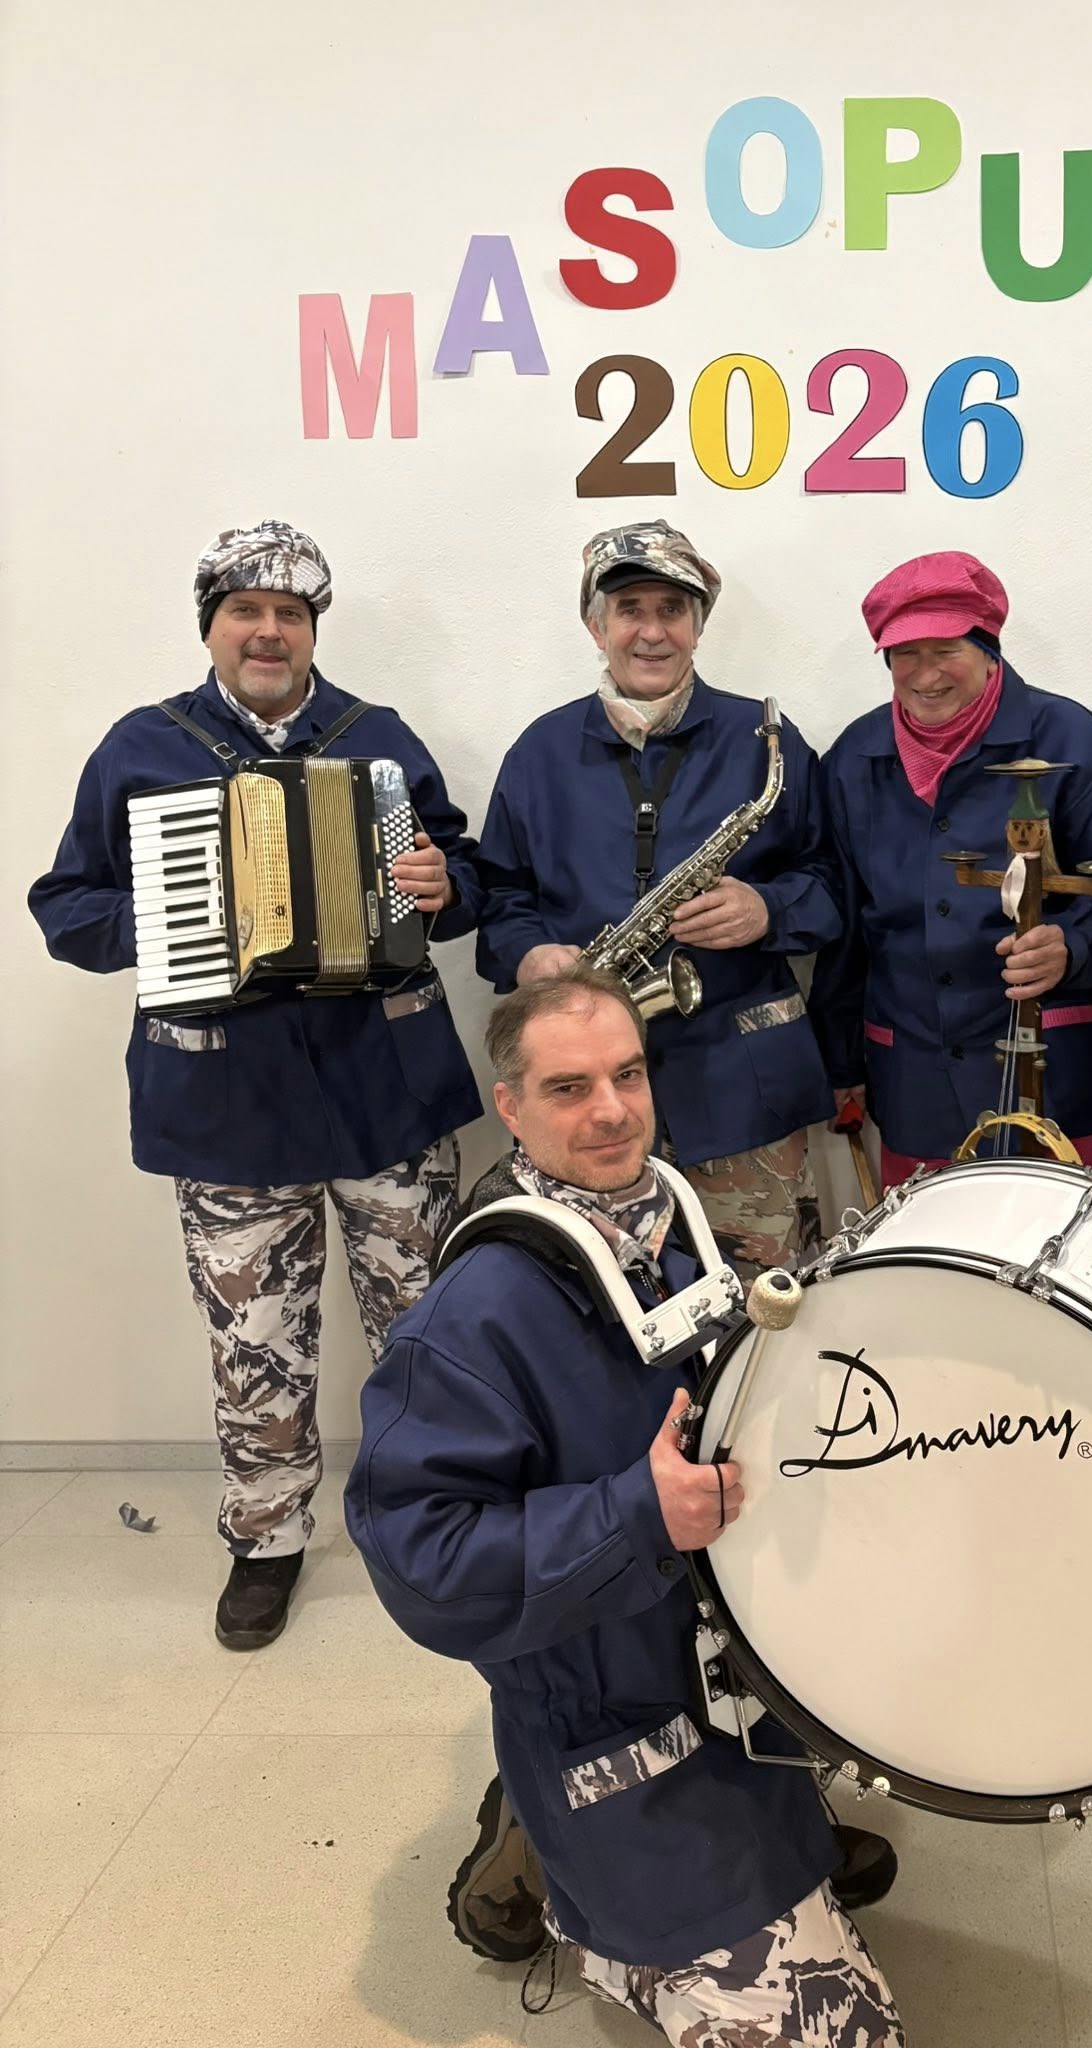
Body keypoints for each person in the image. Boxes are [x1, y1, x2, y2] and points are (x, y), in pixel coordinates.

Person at [346, 971, 904, 2044]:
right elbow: (422, 1565)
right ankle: (563, 1856)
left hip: (725, 1673)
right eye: (568, 1088)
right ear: (509, 1108)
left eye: (628, 1074)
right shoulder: (467, 1320)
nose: (611, 1110)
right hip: (613, 1723)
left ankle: (570, 1831)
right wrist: (634, 1515)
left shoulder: (671, 1229)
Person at [29, 521, 482, 1650]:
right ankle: (269, 1539)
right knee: (256, 1338)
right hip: (226, 1102)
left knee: (427, 1320)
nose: (268, 631)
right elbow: (66, 907)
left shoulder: (376, 738)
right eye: (246, 610)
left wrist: (444, 884)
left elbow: (465, 872)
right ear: (213, 628)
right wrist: (172, 914)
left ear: (312, 630)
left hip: (384, 1088)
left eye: (289, 613)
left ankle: (435, 1513)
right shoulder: (142, 745)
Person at [475, 520, 840, 1282]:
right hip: (588, 1107)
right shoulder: (537, 753)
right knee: (599, 1311)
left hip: (742, 1099)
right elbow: (501, 895)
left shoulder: (766, 741)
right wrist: (529, 954)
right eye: (630, 609)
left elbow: (832, 885)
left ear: (698, 626)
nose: (651, 631)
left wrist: (767, 910)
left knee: (765, 1310)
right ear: (596, 626)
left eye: (672, 610)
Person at [809, 551, 1092, 1185]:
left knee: (1054, 1244)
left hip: (1053, 1074)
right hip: (914, 1078)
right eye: (905, 653)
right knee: (929, 1247)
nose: (925, 673)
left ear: (990, 651)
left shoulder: (1069, 738)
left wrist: (1071, 947)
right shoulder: (854, 758)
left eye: (946, 650)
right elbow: (847, 927)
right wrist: (840, 1062)